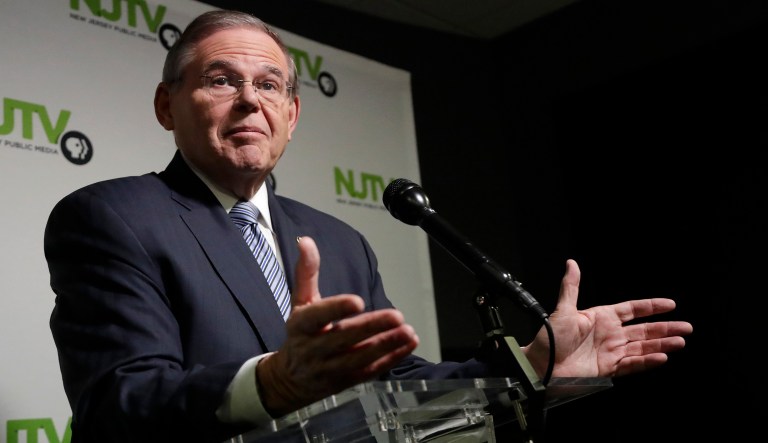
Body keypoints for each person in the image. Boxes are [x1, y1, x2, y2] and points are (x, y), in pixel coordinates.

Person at [44, 9, 693, 443]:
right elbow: (117, 405)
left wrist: (532, 362)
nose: (250, 100)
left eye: (270, 85)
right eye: (222, 79)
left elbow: (396, 383)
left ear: (292, 115)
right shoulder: (113, 217)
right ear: (167, 105)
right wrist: (274, 380)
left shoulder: (338, 239)